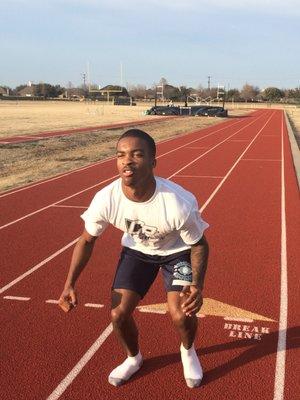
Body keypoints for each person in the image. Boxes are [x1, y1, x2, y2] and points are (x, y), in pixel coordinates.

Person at [59, 129, 209, 389]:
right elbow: (86, 240)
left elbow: (199, 245)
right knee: (118, 314)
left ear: (153, 162)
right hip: (137, 253)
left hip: (177, 253)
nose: (127, 161)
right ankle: (133, 358)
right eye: (121, 155)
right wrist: (69, 284)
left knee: (181, 314)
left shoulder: (177, 202)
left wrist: (197, 283)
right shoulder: (106, 199)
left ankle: (188, 350)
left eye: (137, 155)